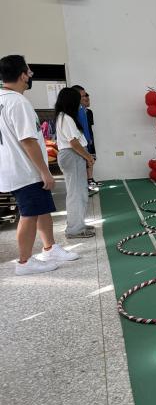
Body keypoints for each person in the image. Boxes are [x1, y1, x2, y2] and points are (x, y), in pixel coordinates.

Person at [0, 55, 79, 275]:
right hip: (26, 171)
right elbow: (28, 140)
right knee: (29, 214)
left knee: (41, 209)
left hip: (13, 168)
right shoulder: (18, 102)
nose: (31, 75)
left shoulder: (3, 99)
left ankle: (49, 248)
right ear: (22, 75)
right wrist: (45, 172)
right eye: (29, 71)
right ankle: (24, 262)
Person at [55, 88, 96, 238]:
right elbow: (74, 143)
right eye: (78, 99)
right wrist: (88, 157)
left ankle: (78, 224)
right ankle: (74, 229)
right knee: (76, 193)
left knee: (79, 192)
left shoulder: (64, 117)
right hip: (72, 155)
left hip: (73, 155)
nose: (80, 102)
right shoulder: (66, 118)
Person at [71, 85, 101, 190]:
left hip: (87, 140)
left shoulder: (85, 111)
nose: (86, 98)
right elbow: (80, 129)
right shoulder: (74, 112)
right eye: (83, 96)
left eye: (86, 96)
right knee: (85, 162)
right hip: (80, 142)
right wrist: (86, 140)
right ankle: (85, 184)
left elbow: (87, 127)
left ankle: (90, 181)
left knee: (90, 159)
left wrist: (89, 139)